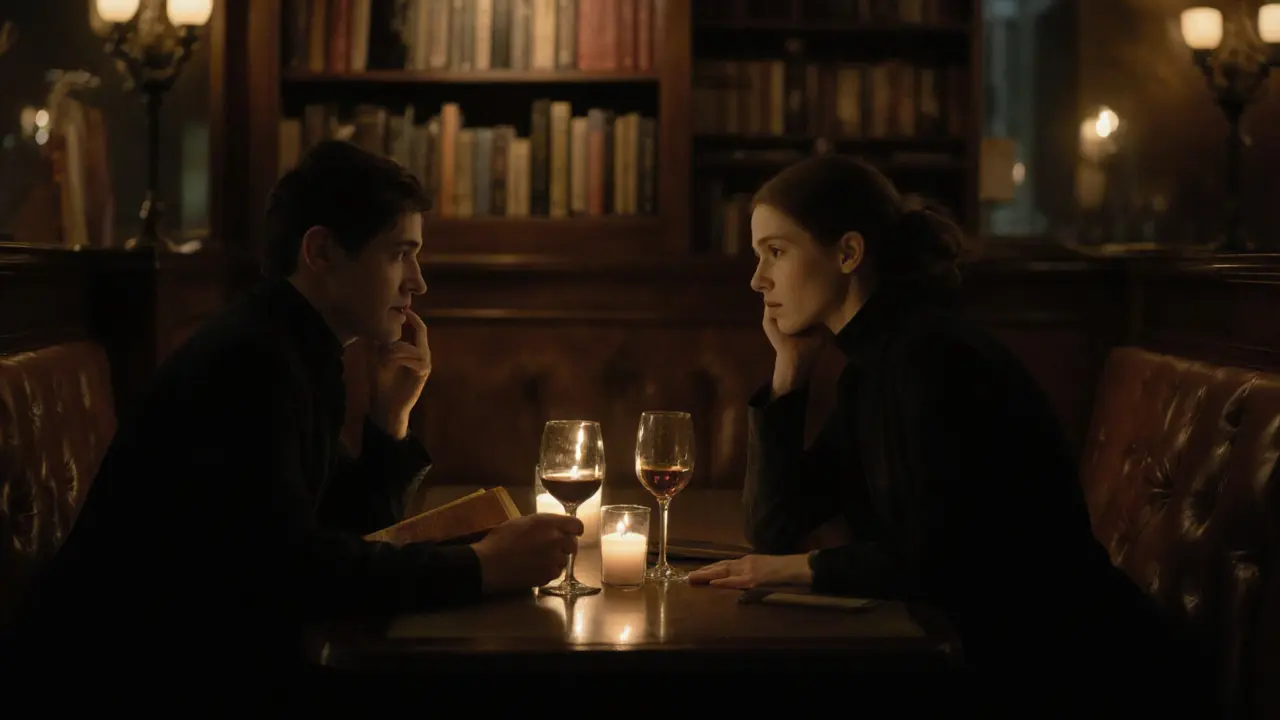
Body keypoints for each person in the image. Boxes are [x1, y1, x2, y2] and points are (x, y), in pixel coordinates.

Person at [5, 141, 581, 677]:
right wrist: (485, 567)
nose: (419, 283)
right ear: (322, 251)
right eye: (400, 255)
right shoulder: (249, 361)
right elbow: (295, 573)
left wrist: (389, 422)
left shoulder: (292, 344)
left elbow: (337, 533)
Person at [687, 155, 1216, 715]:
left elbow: (947, 560)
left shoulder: (931, 358)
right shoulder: (874, 366)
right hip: (987, 654)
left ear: (847, 253)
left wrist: (797, 568)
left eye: (776, 252)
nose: (756, 279)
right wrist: (789, 376)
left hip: (1078, 669)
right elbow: (773, 526)